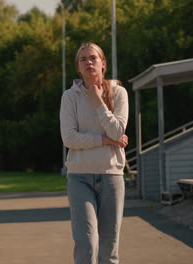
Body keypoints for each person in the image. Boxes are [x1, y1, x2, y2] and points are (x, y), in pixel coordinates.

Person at [60, 42, 129, 264]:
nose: (89, 62)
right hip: (79, 178)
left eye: (93, 58)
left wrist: (98, 101)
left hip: (112, 177)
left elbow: (118, 130)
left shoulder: (119, 93)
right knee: (86, 243)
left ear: (103, 64)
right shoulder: (70, 97)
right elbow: (69, 138)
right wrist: (106, 140)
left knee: (109, 248)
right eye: (83, 59)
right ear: (78, 68)